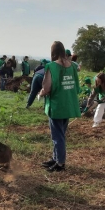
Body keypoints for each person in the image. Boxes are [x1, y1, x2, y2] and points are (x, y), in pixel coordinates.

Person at [39, 42, 80, 172]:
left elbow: (47, 88)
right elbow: (76, 86)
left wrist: (40, 94)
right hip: (68, 104)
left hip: (56, 106)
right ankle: (55, 158)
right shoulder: (72, 66)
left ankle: (60, 163)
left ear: (53, 52)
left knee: (57, 136)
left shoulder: (51, 66)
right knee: (61, 133)